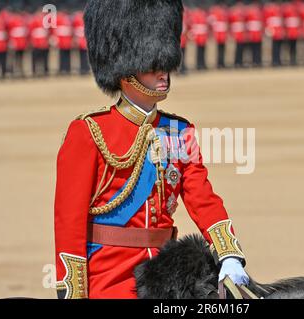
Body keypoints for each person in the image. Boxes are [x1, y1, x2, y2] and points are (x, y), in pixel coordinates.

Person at [54, 0, 249, 299]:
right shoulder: (88, 132)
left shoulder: (179, 131)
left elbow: (202, 197)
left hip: (166, 275)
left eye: (165, 65)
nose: (164, 74)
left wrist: (228, 251)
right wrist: (74, 293)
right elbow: (69, 222)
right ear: (125, 71)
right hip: (108, 276)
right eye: (153, 66)